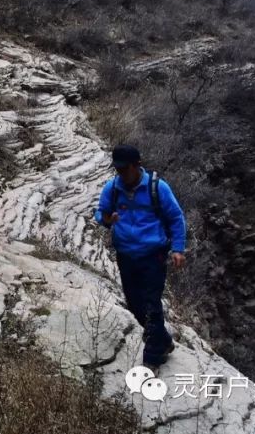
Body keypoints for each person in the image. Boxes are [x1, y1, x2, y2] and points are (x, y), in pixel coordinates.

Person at [94, 144, 187, 369]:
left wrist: (178, 248)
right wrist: (108, 219)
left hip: (152, 255)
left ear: (137, 165)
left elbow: (176, 217)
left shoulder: (158, 188)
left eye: (125, 169)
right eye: (118, 169)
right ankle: (163, 340)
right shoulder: (113, 188)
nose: (121, 174)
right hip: (125, 255)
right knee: (135, 305)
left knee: (151, 304)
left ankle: (152, 358)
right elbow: (100, 213)